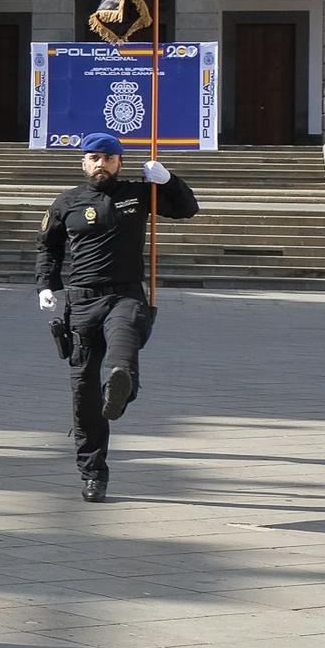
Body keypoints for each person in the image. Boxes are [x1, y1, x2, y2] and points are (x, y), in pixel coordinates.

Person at [35, 132, 199, 502]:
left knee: (123, 343)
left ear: (120, 162)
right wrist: (46, 285)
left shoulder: (139, 194)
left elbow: (187, 208)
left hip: (124, 294)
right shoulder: (67, 202)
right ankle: (93, 473)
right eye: (94, 158)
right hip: (81, 302)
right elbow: (48, 247)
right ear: (83, 162)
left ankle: (122, 386)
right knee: (83, 393)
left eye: (109, 159)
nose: (101, 165)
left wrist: (168, 180)